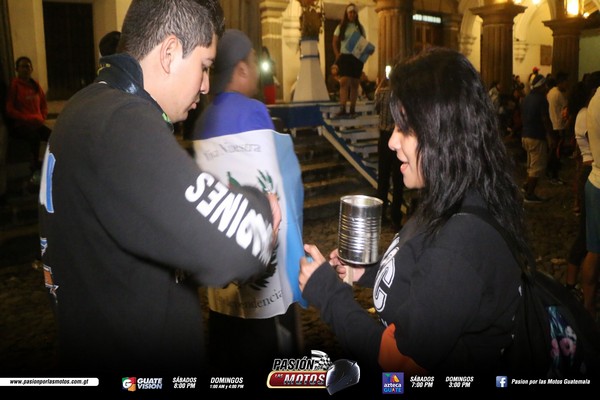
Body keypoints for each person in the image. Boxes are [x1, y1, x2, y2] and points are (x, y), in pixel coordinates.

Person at [38, 0, 281, 379]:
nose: (205, 84)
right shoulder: (120, 122)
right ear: (169, 53)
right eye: (204, 66)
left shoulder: (85, 105)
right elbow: (237, 244)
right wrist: (262, 208)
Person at [299, 47, 527, 380]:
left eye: (405, 128)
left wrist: (328, 294)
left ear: (442, 133)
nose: (392, 141)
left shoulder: (461, 244)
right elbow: (424, 277)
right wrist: (366, 273)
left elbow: (400, 364)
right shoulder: (448, 197)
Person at [191, 29, 305, 377]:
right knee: (273, 358)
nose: (256, 70)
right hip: (264, 273)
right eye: (254, 62)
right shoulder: (255, 112)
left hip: (222, 269)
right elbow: (282, 185)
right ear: (241, 69)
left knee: (230, 347)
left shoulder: (203, 120)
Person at [565, 72, 600, 302]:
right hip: (592, 170)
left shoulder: (588, 110)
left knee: (589, 239)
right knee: (587, 239)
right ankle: (572, 285)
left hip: (591, 171)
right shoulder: (586, 114)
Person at [5, 56, 51, 175]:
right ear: (17, 69)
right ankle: (34, 166)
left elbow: (43, 103)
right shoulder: (15, 86)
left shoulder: (35, 85)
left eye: (28, 66)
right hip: (22, 125)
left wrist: (42, 116)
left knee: (52, 136)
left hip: (36, 123)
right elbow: (9, 109)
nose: (26, 69)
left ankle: (50, 162)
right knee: (34, 138)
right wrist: (26, 118)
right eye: (23, 66)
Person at [374, 75, 403, 229]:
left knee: (383, 178)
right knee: (398, 179)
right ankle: (396, 217)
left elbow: (376, 108)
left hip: (384, 137)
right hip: (397, 137)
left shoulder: (381, 92)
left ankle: (381, 215)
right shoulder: (401, 94)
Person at [582, 72, 600, 319]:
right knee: (594, 252)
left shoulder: (595, 99)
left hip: (595, 179)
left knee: (594, 250)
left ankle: (587, 309)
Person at [521, 73, 552, 203]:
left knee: (531, 165)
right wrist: (550, 135)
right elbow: (545, 119)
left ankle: (526, 186)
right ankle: (529, 194)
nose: (546, 88)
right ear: (541, 86)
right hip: (536, 136)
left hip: (525, 135)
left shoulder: (527, 98)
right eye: (545, 85)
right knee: (537, 167)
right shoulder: (541, 100)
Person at [332, 3, 366, 118]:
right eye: (350, 12)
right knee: (344, 82)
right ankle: (342, 108)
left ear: (356, 14)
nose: (352, 14)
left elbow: (363, 43)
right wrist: (337, 54)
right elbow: (334, 41)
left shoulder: (360, 28)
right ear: (347, 14)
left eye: (354, 12)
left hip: (356, 58)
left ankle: (352, 109)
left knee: (355, 84)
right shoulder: (341, 27)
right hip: (345, 57)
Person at [546, 71, 569, 184]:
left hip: (553, 125)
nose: (567, 85)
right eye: (566, 82)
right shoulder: (559, 94)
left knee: (553, 150)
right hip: (558, 126)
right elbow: (565, 109)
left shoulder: (550, 92)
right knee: (556, 152)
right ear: (561, 82)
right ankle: (553, 175)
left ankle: (549, 171)